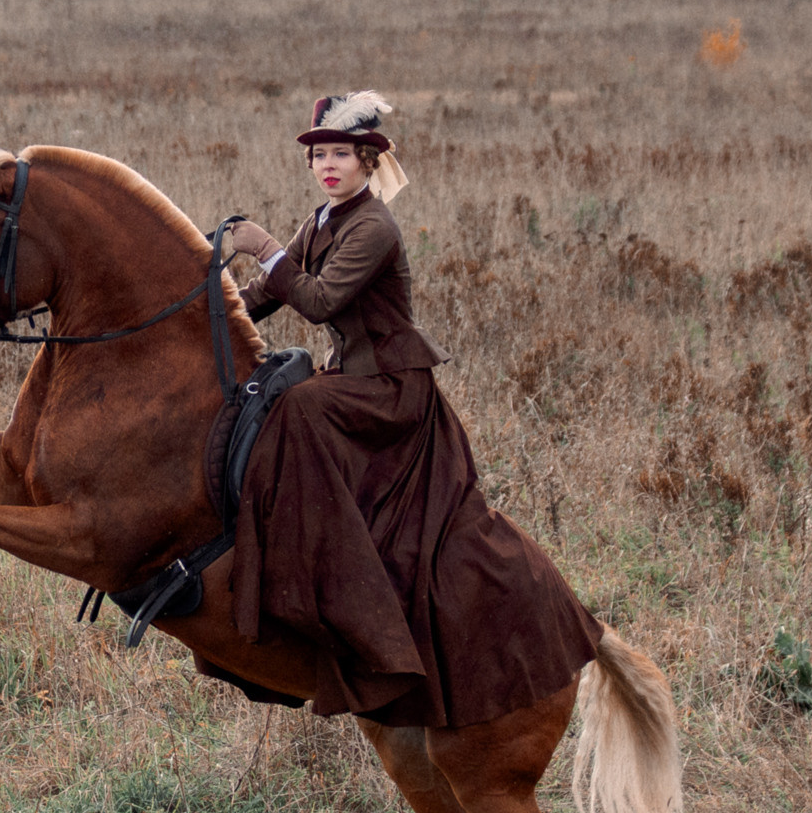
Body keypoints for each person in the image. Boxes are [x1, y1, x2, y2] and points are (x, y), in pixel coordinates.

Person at [217, 93, 601, 728]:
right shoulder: (322, 219)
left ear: (368, 163)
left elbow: (318, 299)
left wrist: (266, 248)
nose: (328, 165)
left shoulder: (373, 227)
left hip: (390, 388)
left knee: (296, 407)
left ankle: (297, 573)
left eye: (342, 155)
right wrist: (211, 305)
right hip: (357, 378)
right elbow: (267, 295)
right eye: (320, 155)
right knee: (287, 396)